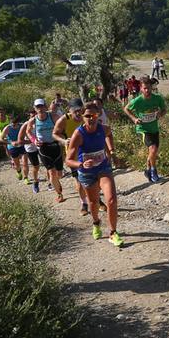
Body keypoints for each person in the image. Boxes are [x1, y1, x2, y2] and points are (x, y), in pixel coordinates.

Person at [66, 102, 124, 247]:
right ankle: (96, 222)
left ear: (98, 115)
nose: (91, 118)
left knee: (111, 200)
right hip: (87, 173)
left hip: (103, 168)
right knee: (93, 203)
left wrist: (112, 152)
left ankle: (113, 233)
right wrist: (81, 164)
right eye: (87, 116)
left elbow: (109, 135)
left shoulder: (103, 128)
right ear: (82, 117)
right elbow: (68, 160)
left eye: (94, 115)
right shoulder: (78, 134)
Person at [125, 77, 167, 183]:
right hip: (143, 129)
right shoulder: (137, 100)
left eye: (148, 88)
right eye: (145, 88)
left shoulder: (158, 98)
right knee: (152, 149)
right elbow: (126, 109)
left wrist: (160, 114)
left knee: (153, 152)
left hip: (154, 129)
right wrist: (134, 119)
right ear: (141, 88)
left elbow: (164, 109)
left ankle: (147, 170)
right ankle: (154, 171)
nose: (147, 90)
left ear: (151, 88)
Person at [29, 98, 66, 203]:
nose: (40, 109)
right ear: (34, 108)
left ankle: (56, 182)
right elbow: (28, 131)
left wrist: (61, 136)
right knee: (52, 172)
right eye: (37, 107)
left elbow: (63, 126)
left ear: (45, 107)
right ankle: (59, 194)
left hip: (55, 146)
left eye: (41, 106)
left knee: (59, 174)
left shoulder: (53, 116)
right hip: (43, 148)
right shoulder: (33, 120)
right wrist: (34, 140)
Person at [18, 109, 42, 191]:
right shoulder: (26, 124)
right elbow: (20, 140)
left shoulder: (41, 121)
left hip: (42, 146)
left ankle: (50, 184)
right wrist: (33, 141)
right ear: (29, 115)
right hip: (30, 148)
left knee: (48, 166)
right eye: (32, 114)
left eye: (35, 114)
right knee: (36, 167)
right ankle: (35, 182)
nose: (34, 116)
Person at [1, 115, 27, 182]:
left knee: (25, 162)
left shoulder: (22, 126)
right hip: (12, 147)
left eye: (15, 124)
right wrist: (10, 142)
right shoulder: (7, 128)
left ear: (18, 122)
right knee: (17, 164)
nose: (13, 125)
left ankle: (26, 178)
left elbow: (28, 133)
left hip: (22, 146)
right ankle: (19, 172)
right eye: (12, 123)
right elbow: (1, 139)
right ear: (10, 122)